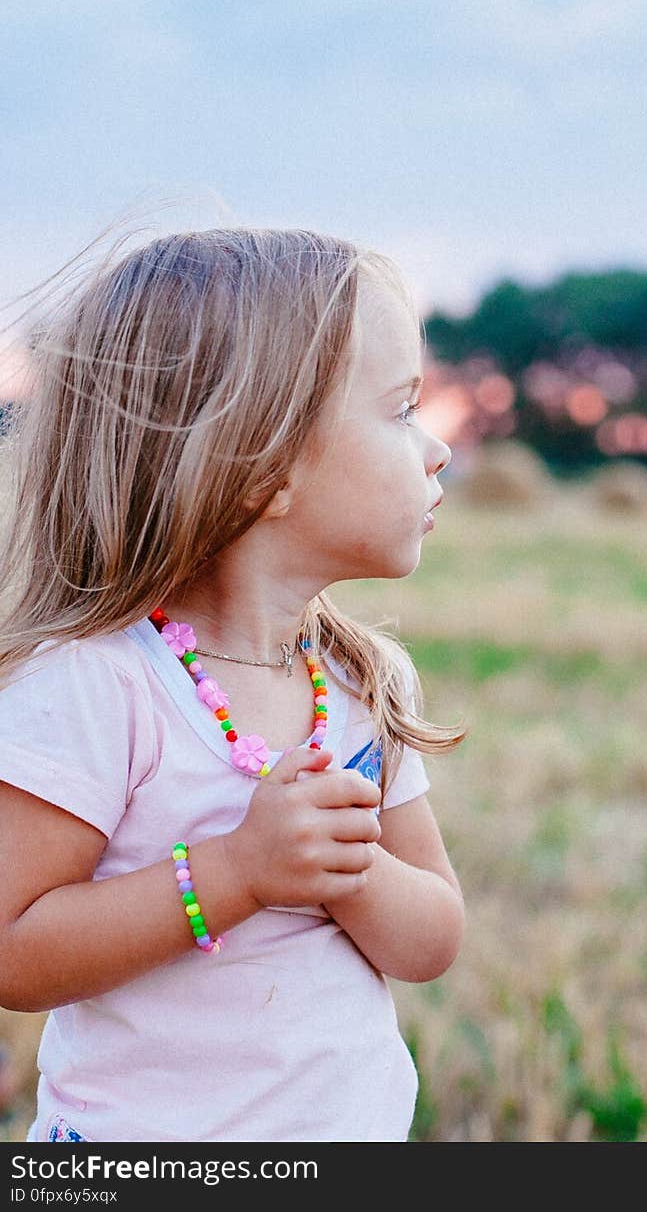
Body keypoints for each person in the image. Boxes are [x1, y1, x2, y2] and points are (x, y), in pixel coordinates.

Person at [0, 227, 467, 1143]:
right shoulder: (97, 686)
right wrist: (235, 873)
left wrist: (348, 869)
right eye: (402, 410)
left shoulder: (360, 683)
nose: (439, 448)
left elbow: (432, 938)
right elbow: (13, 947)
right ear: (263, 469)